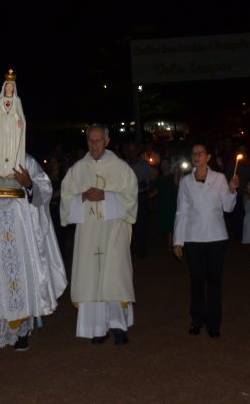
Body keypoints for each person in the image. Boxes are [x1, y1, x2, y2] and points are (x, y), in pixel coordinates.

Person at [0, 154, 67, 356]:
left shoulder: (27, 161)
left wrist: (28, 183)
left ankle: (22, 333)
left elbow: (44, 192)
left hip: (20, 228)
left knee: (20, 277)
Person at [61, 124, 138, 345]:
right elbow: (66, 199)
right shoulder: (78, 169)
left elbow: (131, 198)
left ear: (107, 141)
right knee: (91, 278)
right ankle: (96, 328)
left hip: (113, 232)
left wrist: (106, 196)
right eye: (90, 141)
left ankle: (118, 325)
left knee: (114, 277)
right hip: (88, 234)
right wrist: (83, 196)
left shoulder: (120, 168)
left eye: (98, 141)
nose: (94, 145)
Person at [173, 142, 239, 338]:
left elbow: (228, 207)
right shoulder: (186, 181)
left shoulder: (219, 178)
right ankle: (196, 320)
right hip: (193, 238)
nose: (197, 156)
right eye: (194, 153)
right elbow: (181, 211)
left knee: (214, 281)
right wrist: (178, 240)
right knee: (196, 280)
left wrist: (232, 190)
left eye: (201, 153)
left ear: (208, 157)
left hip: (216, 237)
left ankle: (213, 323)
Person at [0, 70, 26, 179]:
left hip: (13, 128)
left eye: (11, 86)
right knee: (0, 147)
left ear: (14, 88)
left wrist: (20, 121)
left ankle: (11, 170)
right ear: (4, 87)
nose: (9, 88)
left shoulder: (17, 100)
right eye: (7, 86)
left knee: (11, 148)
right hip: (2, 126)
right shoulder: (0, 99)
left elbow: (20, 115)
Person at [125, 142, 154, 259]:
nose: (131, 152)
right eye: (129, 150)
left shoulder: (144, 164)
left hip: (141, 197)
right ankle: (130, 251)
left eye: (133, 150)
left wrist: (140, 184)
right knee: (129, 225)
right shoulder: (125, 164)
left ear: (138, 151)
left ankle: (140, 251)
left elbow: (149, 180)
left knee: (141, 225)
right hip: (128, 198)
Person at [151, 158, 179, 252]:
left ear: (169, 165)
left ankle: (174, 243)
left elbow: (177, 185)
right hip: (164, 203)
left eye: (166, 164)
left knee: (174, 223)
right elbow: (155, 191)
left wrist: (176, 173)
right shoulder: (159, 178)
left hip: (173, 202)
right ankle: (170, 243)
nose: (164, 166)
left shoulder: (174, 176)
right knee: (168, 224)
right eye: (162, 164)